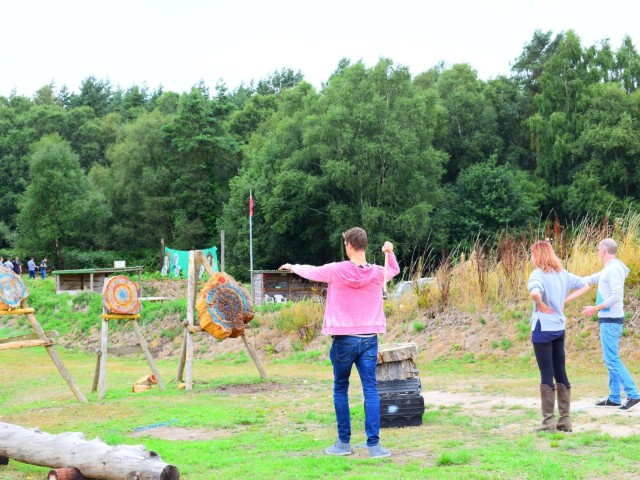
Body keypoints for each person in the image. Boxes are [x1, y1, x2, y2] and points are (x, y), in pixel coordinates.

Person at [279, 227, 400, 458]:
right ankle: (374, 446)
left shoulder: (336, 270)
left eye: (345, 243)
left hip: (344, 340)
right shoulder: (376, 273)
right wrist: (389, 250)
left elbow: (312, 272)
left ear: (349, 245)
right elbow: (393, 269)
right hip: (369, 340)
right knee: (370, 390)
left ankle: (344, 444)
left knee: (341, 389)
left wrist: (292, 266)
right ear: (364, 245)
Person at [527, 240, 589, 432]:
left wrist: (540, 303)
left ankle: (548, 423)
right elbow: (584, 285)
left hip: (542, 327)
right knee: (560, 371)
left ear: (537, 255)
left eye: (532, 254)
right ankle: (565, 420)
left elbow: (534, 292)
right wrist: (564, 300)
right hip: (558, 327)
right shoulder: (563, 273)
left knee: (546, 373)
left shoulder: (537, 274)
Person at [581, 238, 640, 411]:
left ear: (604, 251)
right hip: (608, 319)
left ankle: (633, 394)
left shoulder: (614, 269)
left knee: (612, 359)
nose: (598, 251)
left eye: (598, 249)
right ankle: (614, 397)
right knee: (610, 358)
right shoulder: (609, 269)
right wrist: (568, 278)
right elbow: (592, 278)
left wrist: (595, 308)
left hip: (611, 320)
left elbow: (616, 296)